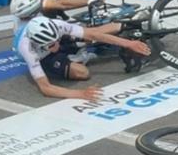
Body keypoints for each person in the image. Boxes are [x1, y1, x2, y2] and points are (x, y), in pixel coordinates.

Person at [15, 16, 151, 100]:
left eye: (57, 40)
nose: (56, 45)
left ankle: (130, 23)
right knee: (83, 73)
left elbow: (92, 34)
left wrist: (128, 43)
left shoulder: (57, 25)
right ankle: (77, 54)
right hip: (45, 58)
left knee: (93, 33)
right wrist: (81, 94)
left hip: (53, 39)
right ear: (39, 45)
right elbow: (46, 88)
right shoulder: (28, 50)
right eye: (51, 44)